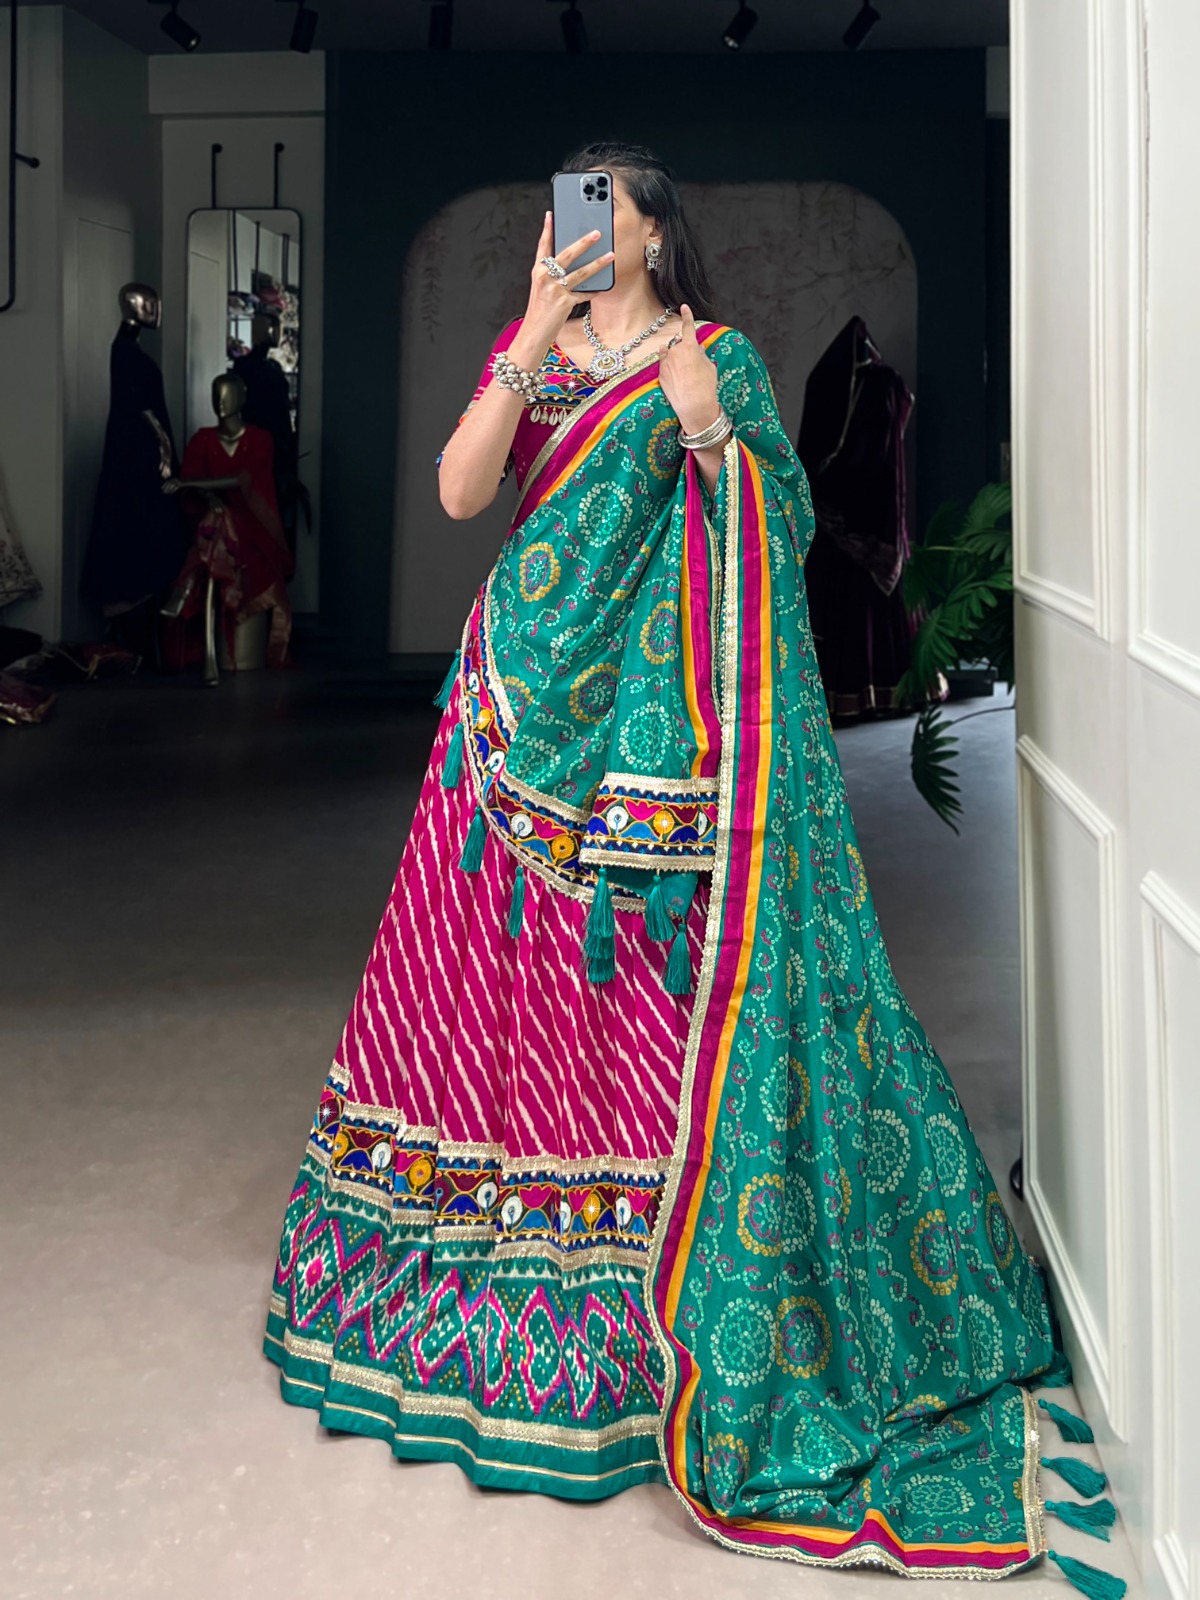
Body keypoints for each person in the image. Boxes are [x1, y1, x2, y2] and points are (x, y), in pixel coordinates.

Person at [262, 143, 1121, 1593]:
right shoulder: (535, 351)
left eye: (607, 206)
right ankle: (471, 1258)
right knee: (486, 990)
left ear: (658, 233)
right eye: (567, 206)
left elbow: (782, 527)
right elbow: (462, 493)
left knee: (640, 1000)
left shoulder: (712, 355)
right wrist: (529, 339)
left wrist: (711, 428)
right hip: (510, 715)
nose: (582, 226)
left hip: (645, 750)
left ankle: (633, 1279)